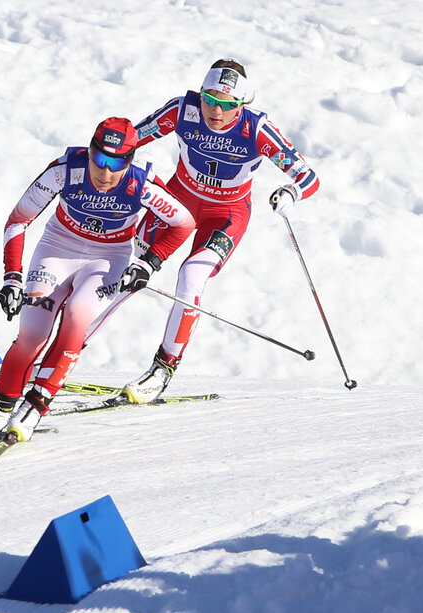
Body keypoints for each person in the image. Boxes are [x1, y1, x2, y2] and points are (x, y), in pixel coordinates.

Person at [0, 117, 195, 442]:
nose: (106, 172)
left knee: (76, 319)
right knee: (32, 333)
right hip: (57, 249)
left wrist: (148, 263)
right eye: (100, 160)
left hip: (107, 258)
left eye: (117, 164)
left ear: (129, 161)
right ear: (89, 152)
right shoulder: (63, 170)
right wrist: (12, 279)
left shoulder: (141, 183)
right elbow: (18, 221)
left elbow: (184, 223)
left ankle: (35, 405)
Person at [119, 58, 320, 403]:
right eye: (210, 99)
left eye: (227, 105)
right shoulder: (183, 110)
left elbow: (308, 177)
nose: (216, 110)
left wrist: (290, 193)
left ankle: (162, 370)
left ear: (242, 104)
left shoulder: (256, 130)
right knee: (126, 263)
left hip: (226, 213)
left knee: (191, 277)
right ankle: (62, 351)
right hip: (177, 200)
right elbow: (128, 141)